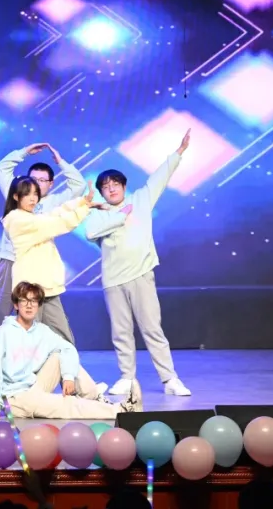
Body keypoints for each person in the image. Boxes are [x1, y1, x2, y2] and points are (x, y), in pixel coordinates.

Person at [84, 129, 192, 397]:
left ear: (123, 185)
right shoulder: (98, 214)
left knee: (152, 329)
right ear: (101, 192)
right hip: (113, 280)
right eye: (105, 187)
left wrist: (179, 152)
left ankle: (170, 379)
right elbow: (90, 233)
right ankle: (126, 377)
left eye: (115, 184)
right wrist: (119, 215)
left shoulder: (141, 199)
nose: (111, 189)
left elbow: (160, 178)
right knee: (121, 332)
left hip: (141, 274)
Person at [0, 281, 142, 420]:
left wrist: (68, 377)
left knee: (61, 355)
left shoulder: (42, 331)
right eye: (24, 301)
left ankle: (94, 398)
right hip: (16, 398)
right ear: (16, 305)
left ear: (38, 305)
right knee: (66, 404)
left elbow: (68, 348)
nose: (29, 305)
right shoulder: (3, 332)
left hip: (34, 386)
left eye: (34, 301)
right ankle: (122, 411)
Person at [0, 143, 86, 331]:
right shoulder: (16, 194)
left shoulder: (56, 201)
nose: (37, 184)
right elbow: (2, 168)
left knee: (37, 316)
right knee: (1, 309)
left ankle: (38, 347)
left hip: (37, 265)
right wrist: (24, 152)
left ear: (51, 184)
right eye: (33, 179)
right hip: (11, 259)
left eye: (42, 180)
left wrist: (60, 162)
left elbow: (79, 185)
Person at [1, 177, 99, 344]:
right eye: (27, 194)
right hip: (30, 288)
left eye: (35, 194)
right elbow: (56, 223)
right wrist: (84, 209)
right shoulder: (16, 220)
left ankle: (64, 361)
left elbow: (54, 214)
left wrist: (82, 201)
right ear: (16, 197)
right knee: (31, 339)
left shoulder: (31, 217)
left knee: (64, 338)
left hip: (47, 286)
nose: (33, 198)